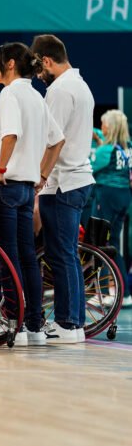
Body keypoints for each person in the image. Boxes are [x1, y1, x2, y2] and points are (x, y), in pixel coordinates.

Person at [0, 43, 65, 346]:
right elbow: (57, 141)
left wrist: (0, 171)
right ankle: (34, 328)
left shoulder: (10, 94)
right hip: (26, 189)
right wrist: (41, 176)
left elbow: (10, 134)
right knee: (28, 258)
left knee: (7, 258)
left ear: (11, 64)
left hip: (6, 187)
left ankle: (11, 326)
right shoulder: (36, 96)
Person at [32, 34, 96, 343]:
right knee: (65, 254)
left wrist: (39, 177)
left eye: (38, 68)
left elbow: (51, 141)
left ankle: (69, 323)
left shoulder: (59, 91)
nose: (38, 75)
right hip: (75, 179)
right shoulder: (80, 85)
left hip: (62, 183)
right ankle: (74, 322)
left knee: (62, 255)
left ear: (46, 61)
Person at [91, 109, 132, 306]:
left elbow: (90, 168)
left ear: (111, 126)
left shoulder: (104, 151)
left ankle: (106, 292)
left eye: (104, 123)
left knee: (100, 243)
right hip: (124, 196)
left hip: (106, 195)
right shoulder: (127, 147)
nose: (102, 127)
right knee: (113, 243)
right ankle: (123, 293)